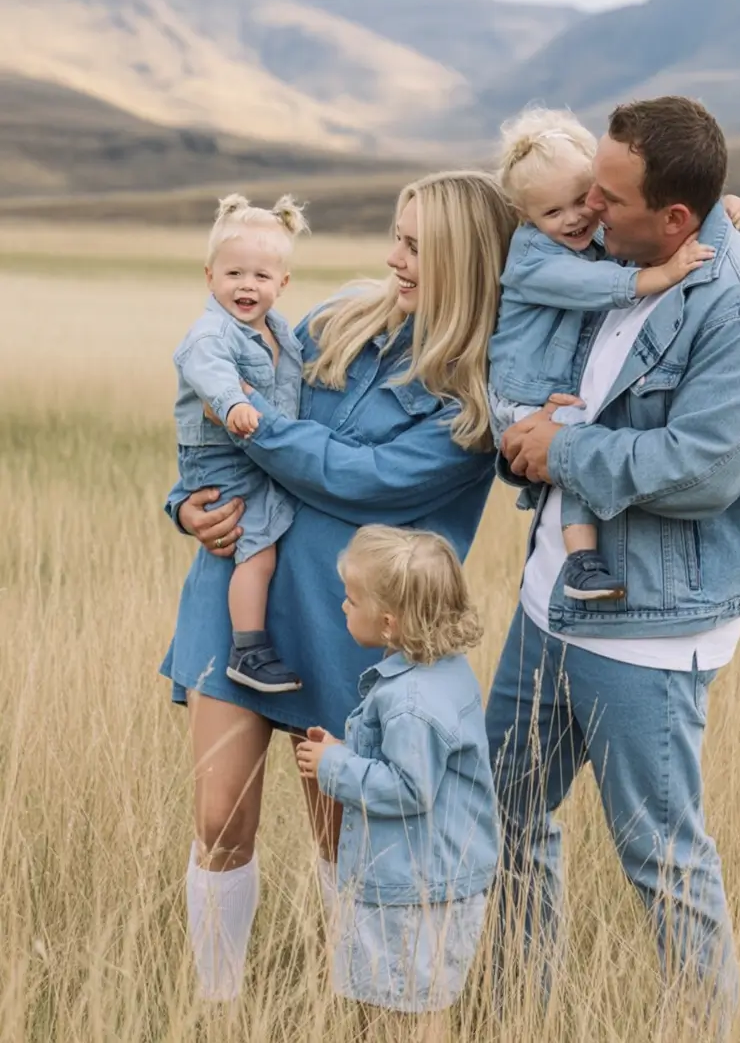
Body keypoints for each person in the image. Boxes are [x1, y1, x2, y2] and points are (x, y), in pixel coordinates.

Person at [490, 96, 740, 1032]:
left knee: (661, 861)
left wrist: (560, 450)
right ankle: (519, 1014)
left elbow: (701, 470)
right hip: (548, 600)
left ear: (675, 217)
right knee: (505, 817)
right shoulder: (619, 256)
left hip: (649, 628)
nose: (589, 206)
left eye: (610, 194)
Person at [160, 171, 515, 1003]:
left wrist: (257, 426)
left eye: (417, 248)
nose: (393, 257)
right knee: (218, 820)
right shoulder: (334, 320)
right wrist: (186, 506)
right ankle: (217, 1006)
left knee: (343, 833)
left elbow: (362, 481)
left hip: (356, 623)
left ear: (465, 260)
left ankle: (349, 1000)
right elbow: (209, 409)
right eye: (396, 236)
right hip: (240, 586)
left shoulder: (473, 396)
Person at [488, 106, 740, 601]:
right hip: (522, 392)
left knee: (576, 444)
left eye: (585, 198)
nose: (579, 215)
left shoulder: (585, 230)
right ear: (526, 218)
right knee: (572, 447)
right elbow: (597, 284)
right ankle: (582, 561)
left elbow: (661, 220)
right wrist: (663, 276)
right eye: (552, 212)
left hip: (555, 388)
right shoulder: (532, 259)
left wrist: (717, 208)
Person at [296, 525, 498, 1036]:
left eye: (352, 599)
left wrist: (333, 768)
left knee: (412, 1011)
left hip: (417, 892)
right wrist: (349, 750)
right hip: (429, 880)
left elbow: (410, 788)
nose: (343, 606)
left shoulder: (411, 703)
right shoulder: (442, 673)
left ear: (387, 623)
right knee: (403, 1003)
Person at [173, 193, 307, 694]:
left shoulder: (279, 331)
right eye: (233, 274)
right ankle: (248, 650)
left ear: (282, 284)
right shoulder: (212, 333)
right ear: (210, 276)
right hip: (221, 456)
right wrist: (234, 405)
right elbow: (210, 374)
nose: (246, 286)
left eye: (260, 276)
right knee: (258, 546)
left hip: (254, 455)